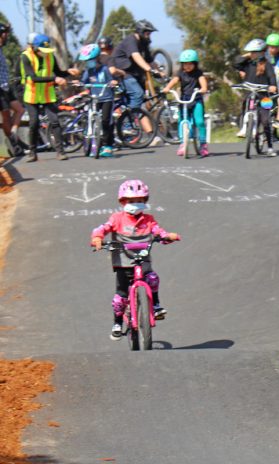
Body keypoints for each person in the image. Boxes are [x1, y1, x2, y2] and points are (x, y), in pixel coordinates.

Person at [90, 180, 180, 340]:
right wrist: (97, 237)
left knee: (152, 278)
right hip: (123, 262)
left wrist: (167, 236)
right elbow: (102, 228)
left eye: (140, 201)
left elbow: (158, 232)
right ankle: (117, 322)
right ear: (123, 202)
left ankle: (156, 305)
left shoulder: (148, 219)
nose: (136, 204)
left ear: (145, 201)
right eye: (131, 201)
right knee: (120, 298)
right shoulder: (117, 218)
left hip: (142, 260)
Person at [19, 34, 79, 162]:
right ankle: (32, 152)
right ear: (34, 48)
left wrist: (68, 71)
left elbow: (58, 72)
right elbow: (33, 77)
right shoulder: (25, 57)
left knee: (55, 121)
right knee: (34, 123)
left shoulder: (50, 56)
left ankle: (60, 152)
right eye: (42, 51)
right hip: (32, 95)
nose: (44, 53)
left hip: (47, 94)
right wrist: (54, 79)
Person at [111, 20, 161, 135]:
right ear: (140, 31)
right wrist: (148, 69)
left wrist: (160, 71)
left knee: (139, 101)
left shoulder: (144, 43)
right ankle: (128, 126)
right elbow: (136, 56)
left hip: (135, 74)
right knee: (137, 94)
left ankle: (148, 134)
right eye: (148, 33)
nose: (149, 36)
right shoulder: (131, 40)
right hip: (123, 73)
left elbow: (150, 61)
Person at [232, 39, 278, 156]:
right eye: (251, 52)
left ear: (262, 52)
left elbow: (272, 77)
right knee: (245, 104)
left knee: (266, 121)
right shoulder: (248, 64)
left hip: (264, 96)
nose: (252, 54)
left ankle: (270, 147)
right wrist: (247, 55)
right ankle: (243, 128)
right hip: (250, 92)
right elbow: (236, 63)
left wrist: (272, 86)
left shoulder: (267, 64)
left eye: (254, 52)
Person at [160, 49, 209, 157]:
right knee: (182, 121)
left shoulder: (198, 73)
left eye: (190, 64)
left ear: (195, 64)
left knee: (199, 121)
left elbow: (202, 81)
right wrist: (167, 88)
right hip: (184, 99)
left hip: (196, 99)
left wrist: (204, 88)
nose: (187, 66)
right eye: (185, 64)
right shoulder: (180, 73)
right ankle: (183, 143)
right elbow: (174, 80)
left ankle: (203, 144)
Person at [78, 43, 118, 157]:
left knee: (106, 120)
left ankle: (108, 145)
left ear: (97, 58)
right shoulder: (88, 71)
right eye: (87, 60)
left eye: (90, 59)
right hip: (94, 98)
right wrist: (80, 83)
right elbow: (84, 81)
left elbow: (111, 80)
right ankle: (91, 140)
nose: (89, 62)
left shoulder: (104, 69)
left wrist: (113, 82)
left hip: (106, 98)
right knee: (91, 117)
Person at [0, 23, 25, 155]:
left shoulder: (1, 48)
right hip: (0, 88)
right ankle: (12, 143)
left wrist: (8, 27)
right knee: (6, 117)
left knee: (20, 110)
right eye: (5, 34)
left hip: (6, 86)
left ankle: (14, 135)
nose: (6, 37)